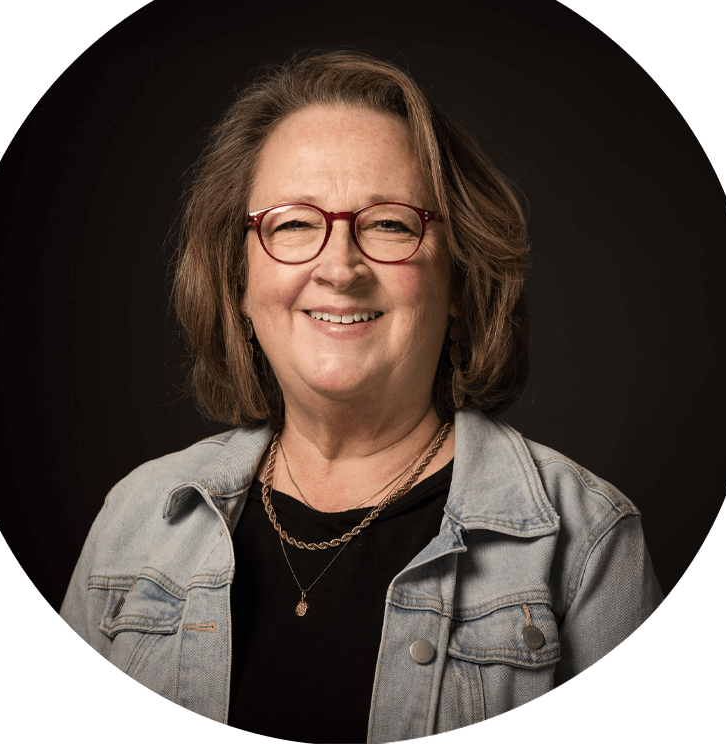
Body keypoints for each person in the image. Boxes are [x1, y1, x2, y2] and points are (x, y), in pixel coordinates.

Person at [60, 50, 663, 743]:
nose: (340, 268)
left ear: (461, 282)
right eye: (291, 224)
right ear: (239, 283)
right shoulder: (134, 524)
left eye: (388, 224)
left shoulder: (586, 543)